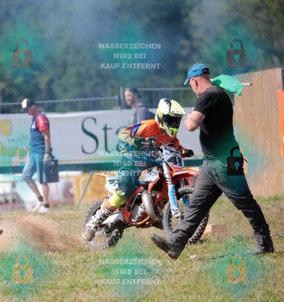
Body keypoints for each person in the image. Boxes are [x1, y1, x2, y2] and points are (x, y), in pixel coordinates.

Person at [151, 63, 273, 259]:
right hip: (213, 161)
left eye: (190, 85)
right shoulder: (218, 94)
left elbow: (190, 125)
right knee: (197, 205)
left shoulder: (208, 96)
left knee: (244, 201)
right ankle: (175, 243)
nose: (192, 89)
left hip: (223, 161)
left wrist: (190, 114)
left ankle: (264, 243)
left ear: (194, 81)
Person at [83, 98, 193, 241]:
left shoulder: (169, 135)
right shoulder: (148, 126)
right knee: (122, 194)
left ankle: (155, 210)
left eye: (176, 120)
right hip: (131, 162)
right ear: (161, 116)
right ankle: (93, 223)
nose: (174, 124)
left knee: (164, 183)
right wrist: (134, 141)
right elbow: (123, 135)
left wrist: (183, 150)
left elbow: (174, 145)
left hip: (152, 163)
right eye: (171, 120)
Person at [21, 98, 53, 213]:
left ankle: (46, 206)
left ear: (33, 107)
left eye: (27, 109)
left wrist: (47, 154)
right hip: (33, 152)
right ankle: (40, 199)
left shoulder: (41, 118)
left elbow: (47, 137)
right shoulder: (34, 118)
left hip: (40, 152)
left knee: (42, 180)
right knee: (26, 175)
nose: (26, 112)